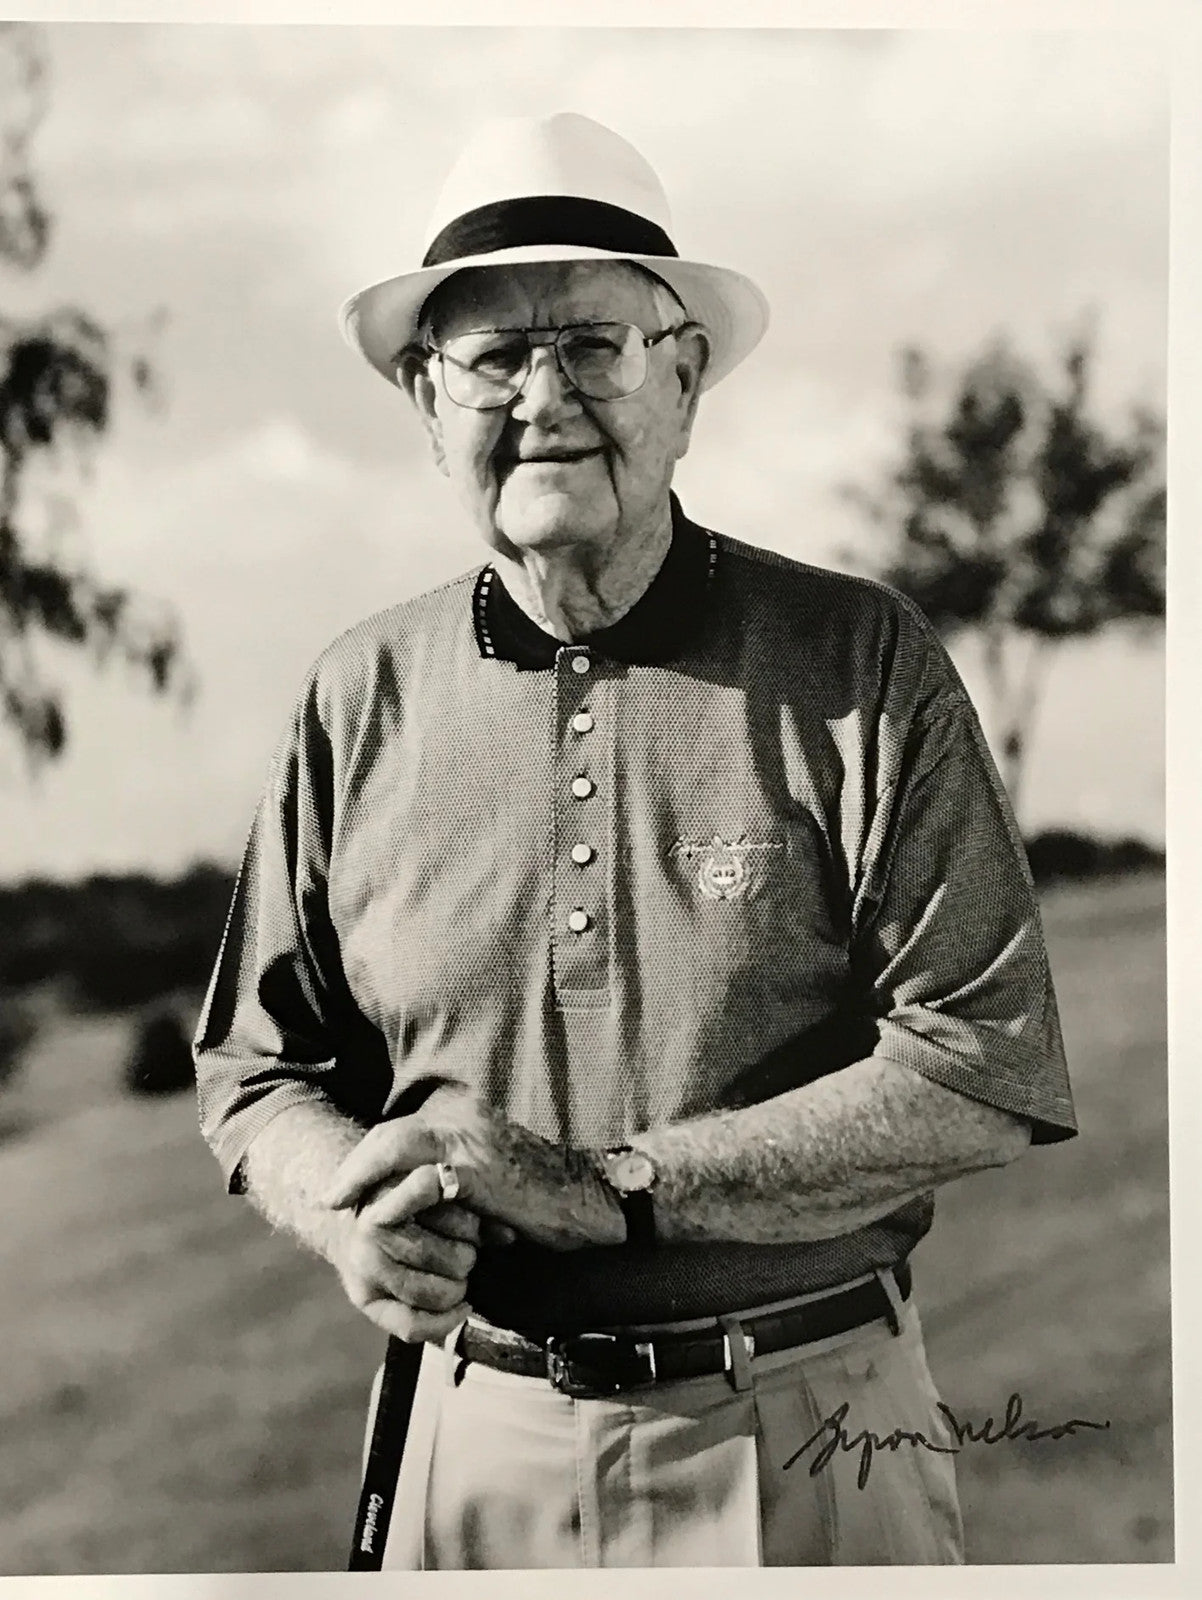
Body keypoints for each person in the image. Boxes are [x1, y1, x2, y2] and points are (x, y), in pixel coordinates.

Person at [193, 111, 1077, 1570]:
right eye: (489, 357)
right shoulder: (357, 690)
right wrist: (348, 1215)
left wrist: (609, 1186)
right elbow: (255, 1068)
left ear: (685, 380)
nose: (543, 397)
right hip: (464, 1436)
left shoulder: (858, 658)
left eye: (593, 345)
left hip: (805, 1438)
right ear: (425, 403)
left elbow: (979, 1070)